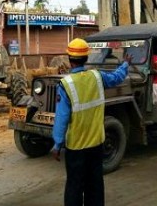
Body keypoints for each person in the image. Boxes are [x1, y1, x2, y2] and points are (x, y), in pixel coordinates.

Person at [51, 38, 132, 206]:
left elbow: (62, 118)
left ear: (69, 59)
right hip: (96, 143)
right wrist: (125, 65)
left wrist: (57, 144)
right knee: (95, 184)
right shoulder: (97, 76)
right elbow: (116, 78)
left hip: (76, 147)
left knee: (74, 185)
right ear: (86, 58)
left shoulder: (66, 84)